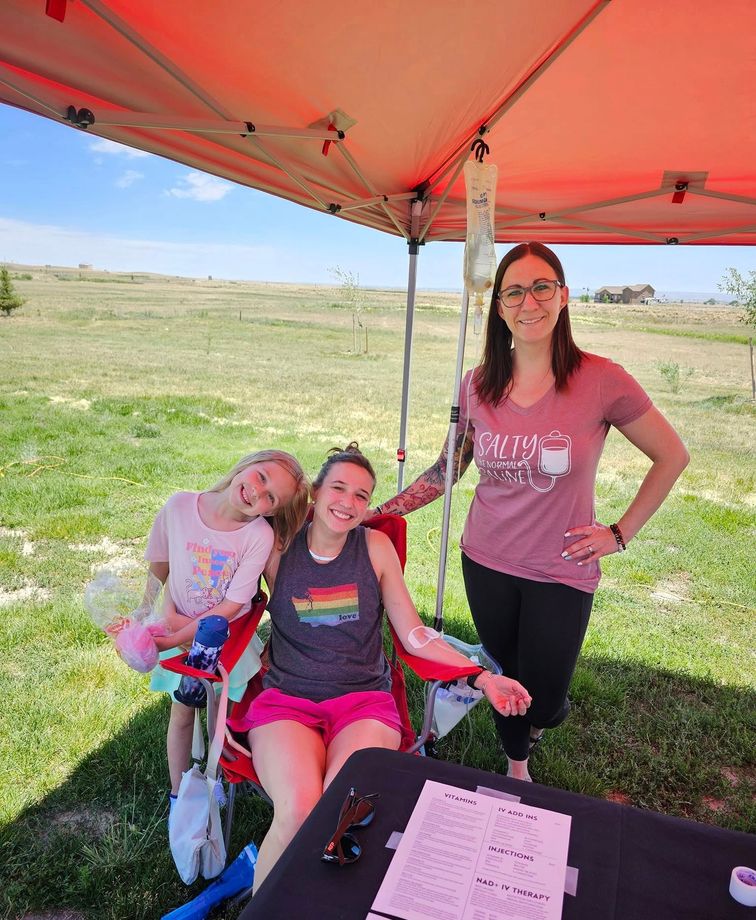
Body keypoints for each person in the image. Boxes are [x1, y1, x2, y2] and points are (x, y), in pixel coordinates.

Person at [371, 242, 690, 782]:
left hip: (562, 568)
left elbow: (672, 455)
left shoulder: (601, 379)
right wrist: (373, 513)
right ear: (499, 307)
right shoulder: (478, 385)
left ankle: (542, 717)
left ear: (563, 296)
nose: (529, 302)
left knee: (545, 694)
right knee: (507, 671)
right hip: (487, 560)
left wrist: (620, 532)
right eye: (514, 292)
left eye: (542, 287)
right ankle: (517, 768)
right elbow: (446, 470)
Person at [234, 444, 531, 892]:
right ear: (315, 492)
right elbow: (221, 566)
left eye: (361, 495)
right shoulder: (277, 547)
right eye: (338, 488)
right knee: (297, 811)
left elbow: (413, 634)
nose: (348, 503)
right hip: (287, 701)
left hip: (363, 704)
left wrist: (482, 676)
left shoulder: (374, 548)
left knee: (340, 809)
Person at [145, 449, 310, 804]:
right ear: (248, 464)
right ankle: (178, 795)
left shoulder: (258, 535)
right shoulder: (179, 506)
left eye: (270, 498)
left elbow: (231, 606)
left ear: (272, 512)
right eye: (261, 477)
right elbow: (162, 565)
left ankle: (215, 776)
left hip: (227, 644)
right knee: (182, 711)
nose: (257, 492)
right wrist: (149, 612)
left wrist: (175, 635)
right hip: (178, 633)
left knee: (220, 717)